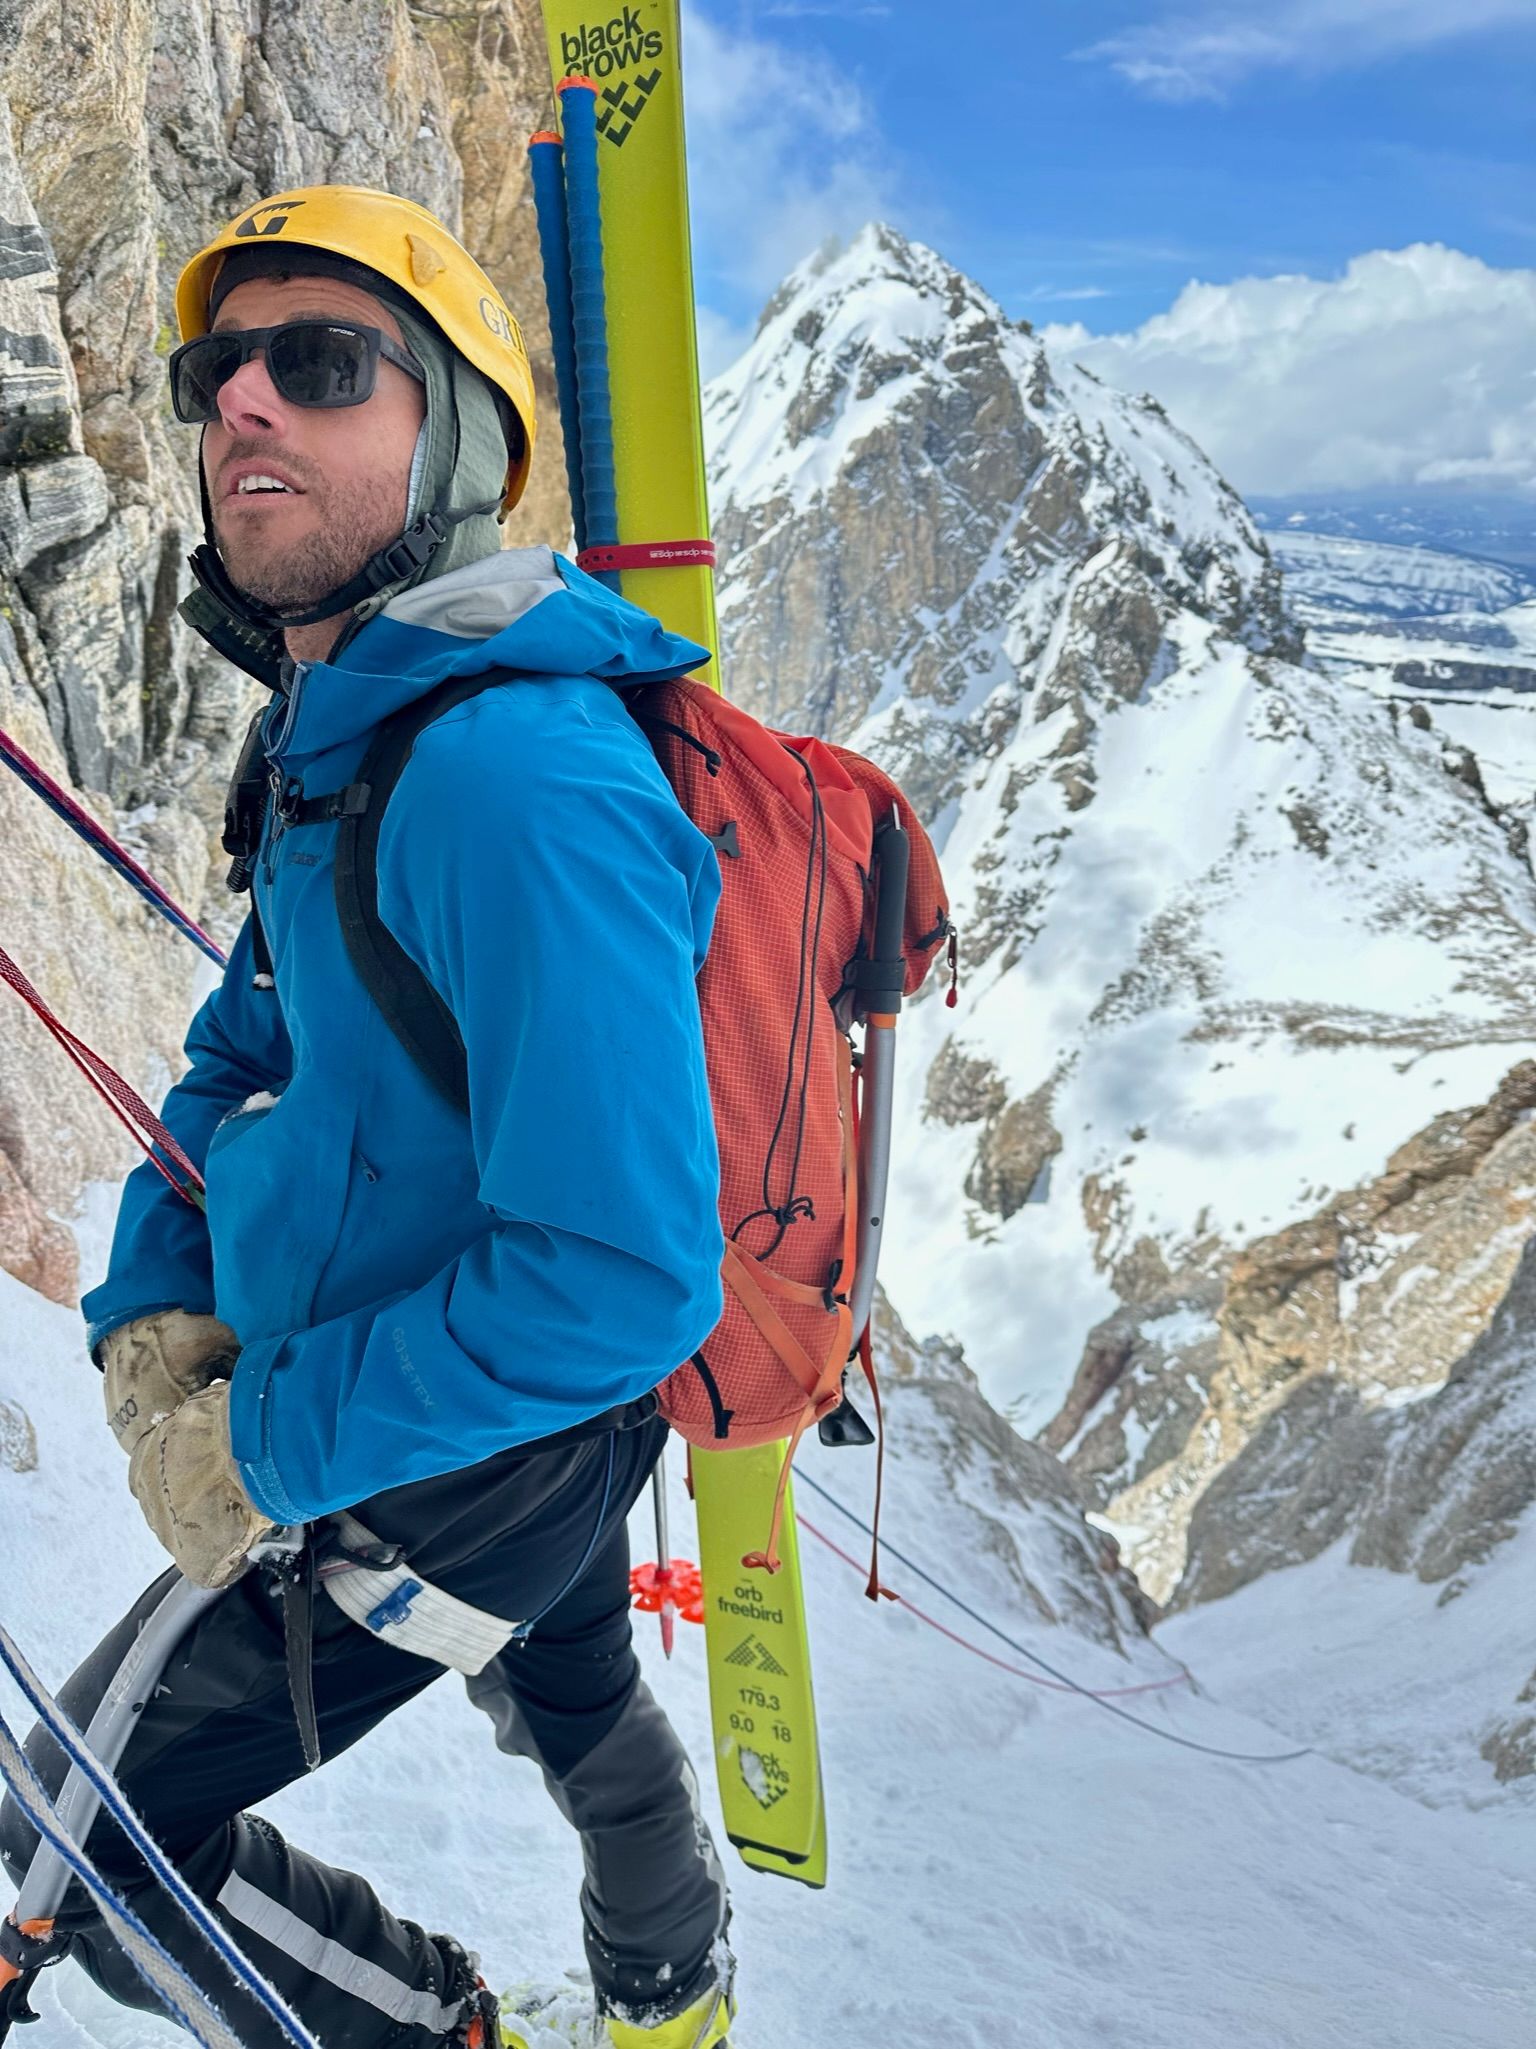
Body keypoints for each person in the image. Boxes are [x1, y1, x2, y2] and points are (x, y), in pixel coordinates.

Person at [0, 186, 737, 2049]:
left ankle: (442, 2034)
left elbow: (626, 1271)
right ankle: (673, 1994)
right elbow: (249, 1046)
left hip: (436, 1453)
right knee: (570, 1686)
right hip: (519, 1433)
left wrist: (264, 1434)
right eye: (216, 370)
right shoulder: (355, 725)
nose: (244, 402)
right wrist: (157, 1297)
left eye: (320, 365)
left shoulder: (504, 776)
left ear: (458, 443)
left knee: (62, 1842)